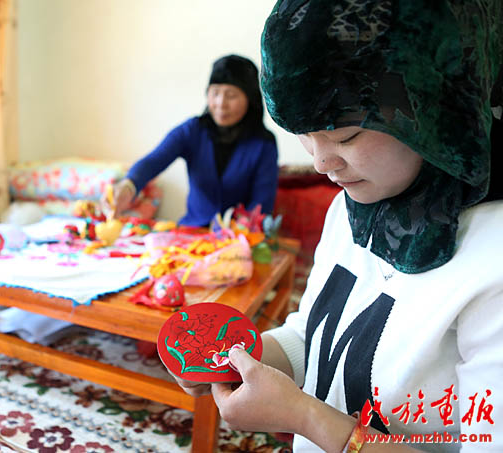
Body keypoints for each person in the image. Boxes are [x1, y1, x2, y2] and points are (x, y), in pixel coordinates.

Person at [171, 1, 503, 452]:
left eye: (346, 136)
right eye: (305, 134)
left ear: (437, 109)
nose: (321, 162)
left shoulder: (492, 258)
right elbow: (311, 336)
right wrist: (233, 360)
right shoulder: (350, 206)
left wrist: (306, 417)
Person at [103, 54, 278, 226]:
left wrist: (240, 229)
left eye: (231, 95)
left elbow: (262, 203)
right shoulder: (193, 130)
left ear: (250, 99)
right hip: (192, 231)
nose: (221, 103)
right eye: (215, 93)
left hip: (242, 236)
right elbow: (155, 160)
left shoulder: (264, 143)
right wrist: (128, 185)